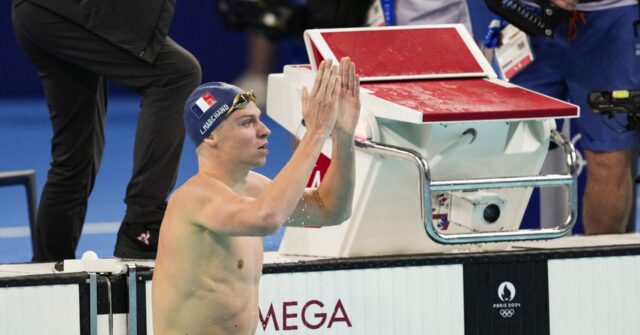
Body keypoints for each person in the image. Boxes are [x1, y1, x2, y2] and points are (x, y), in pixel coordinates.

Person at [152, 58, 360, 335]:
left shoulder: (253, 188)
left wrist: (343, 136)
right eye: (247, 123)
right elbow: (268, 217)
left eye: (259, 120)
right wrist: (316, 132)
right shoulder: (194, 198)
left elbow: (332, 210)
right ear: (211, 135)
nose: (265, 130)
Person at [11, 0, 202, 261]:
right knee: (176, 74)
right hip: (64, 10)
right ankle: (143, 223)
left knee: (78, 154)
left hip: (39, 13)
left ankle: (48, 273)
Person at [508, 0, 639, 234]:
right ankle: (482, 260)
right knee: (496, 149)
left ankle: (601, 264)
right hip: (523, 19)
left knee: (609, 159)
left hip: (611, 22)